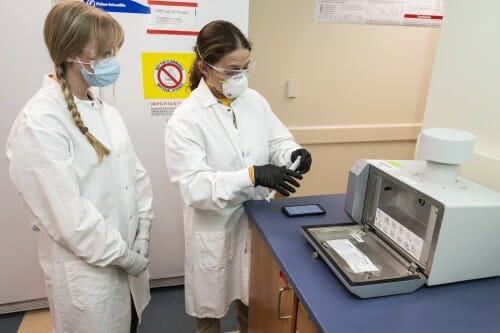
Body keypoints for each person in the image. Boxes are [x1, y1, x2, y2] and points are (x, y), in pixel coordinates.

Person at [6, 1, 153, 332]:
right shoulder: (40, 122)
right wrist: (126, 256)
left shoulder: (104, 110)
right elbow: (68, 217)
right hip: (89, 276)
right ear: (71, 52)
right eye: (104, 51)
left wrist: (143, 230)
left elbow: (136, 176)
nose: (112, 59)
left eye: (114, 50)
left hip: (125, 267)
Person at [164, 20, 312, 333]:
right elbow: (194, 187)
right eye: (232, 70)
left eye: (246, 67)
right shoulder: (187, 119)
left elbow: (277, 141)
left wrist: (293, 154)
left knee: (254, 305)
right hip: (214, 228)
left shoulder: (254, 102)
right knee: (209, 315)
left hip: (256, 225)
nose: (240, 77)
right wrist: (252, 175)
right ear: (205, 68)